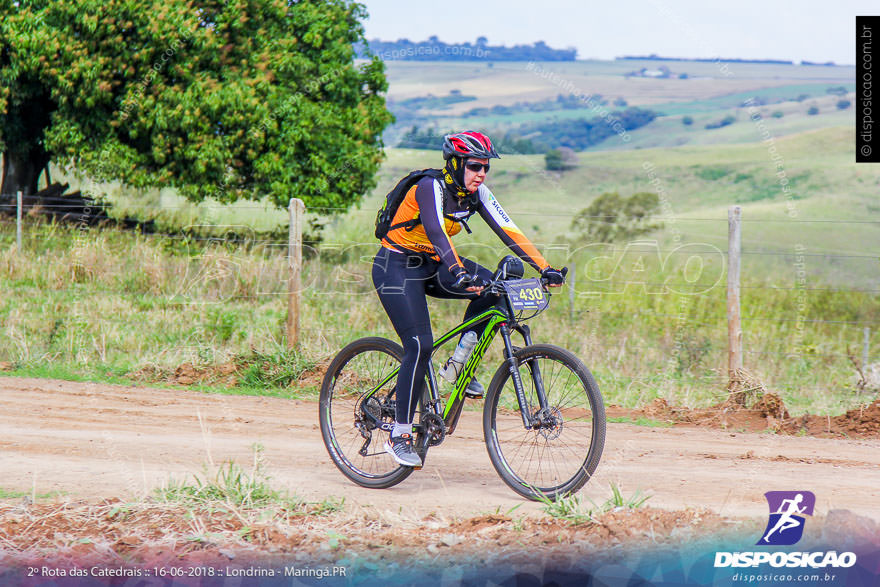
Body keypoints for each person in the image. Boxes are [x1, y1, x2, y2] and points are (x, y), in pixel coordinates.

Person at [371, 130, 566, 467]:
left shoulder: (476, 193)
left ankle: (458, 365)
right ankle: (399, 434)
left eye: (486, 168)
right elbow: (435, 230)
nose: (482, 174)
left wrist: (545, 267)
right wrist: (458, 271)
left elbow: (510, 231)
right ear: (456, 163)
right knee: (419, 344)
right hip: (397, 265)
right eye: (475, 166)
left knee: (495, 288)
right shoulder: (430, 186)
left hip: (433, 263)